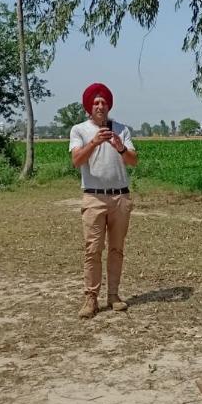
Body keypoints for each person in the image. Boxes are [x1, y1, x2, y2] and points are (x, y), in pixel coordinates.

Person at [69, 83, 138, 318]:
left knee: (117, 249)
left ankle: (114, 295)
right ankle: (90, 299)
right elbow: (76, 161)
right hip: (93, 197)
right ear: (89, 107)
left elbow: (133, 161)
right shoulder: (79, 130)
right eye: (96, 102)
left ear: (109, 105)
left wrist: (120, 147)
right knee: (93, 250)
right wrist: (94, 142)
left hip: (120, 196)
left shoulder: (121, 130)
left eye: (103, 102)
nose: (100, 106)